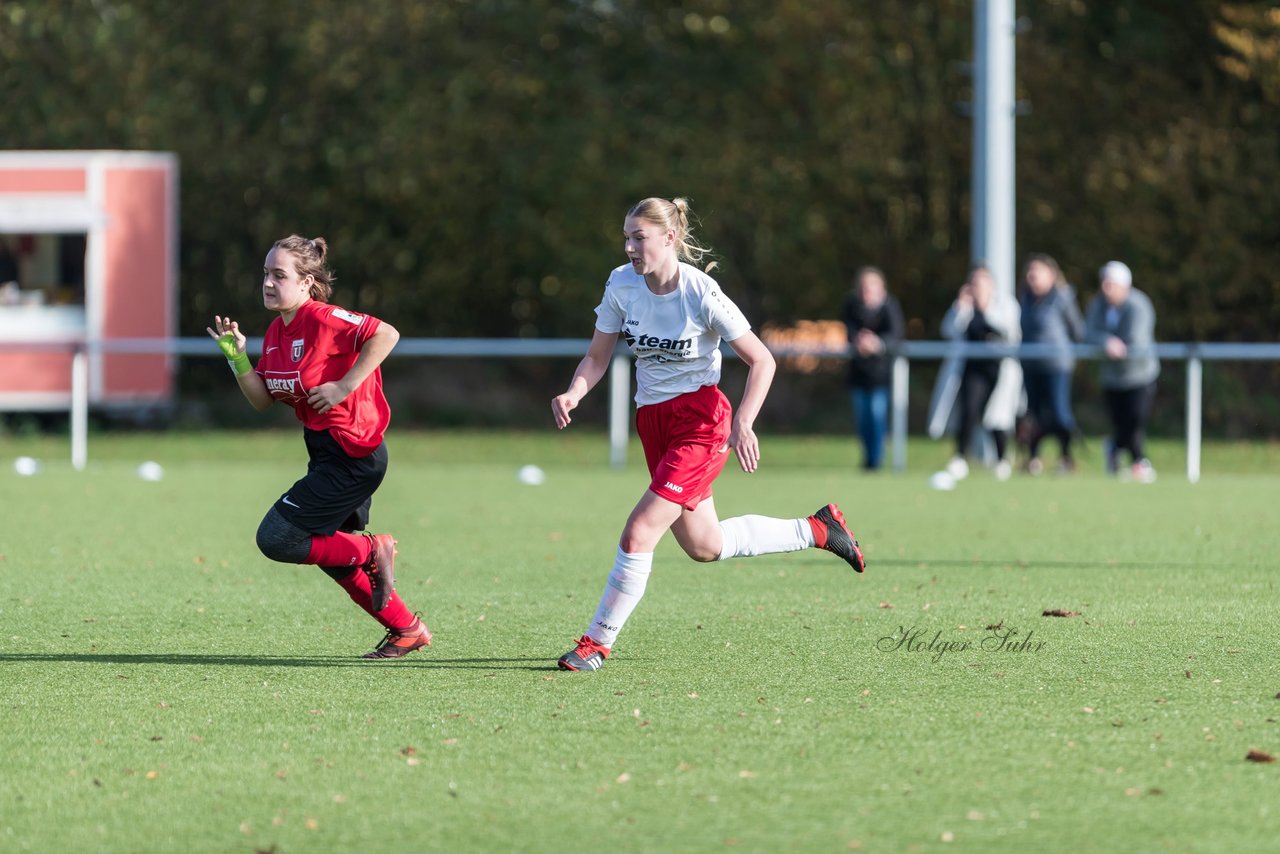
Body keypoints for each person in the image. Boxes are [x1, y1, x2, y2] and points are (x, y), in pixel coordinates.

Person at [550, 197, 866, 672]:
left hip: (700, 423)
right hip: (653, 422)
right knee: (705, 545)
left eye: (639, 237)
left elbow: (763, 359)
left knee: (639, 533)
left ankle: (596, 642)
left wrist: (743, 421)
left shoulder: (701, 293)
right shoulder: (621, 284)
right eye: (626, 237)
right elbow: (597, 357)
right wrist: (575, 392)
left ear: (669, 238)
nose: (630, 247)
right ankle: (818, 529)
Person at [207, 235, 432, 658]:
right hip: (325, 452)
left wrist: (344, 385)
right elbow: (261, 400)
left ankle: (372, 548)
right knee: (332, 556)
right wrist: (237, 357)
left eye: (280, 275)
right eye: (266, 274)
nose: (269, 283)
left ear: (307, 282)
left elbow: (387, 333)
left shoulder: (325, 318)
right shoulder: (276, 332)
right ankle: (407, 630)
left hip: (353, 452)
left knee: (276, 538)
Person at [939, 263, 1021, 481]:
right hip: (971, 369)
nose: (978, 287)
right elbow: (948, 330)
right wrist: (961, 307)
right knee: (969, 410)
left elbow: (1008, 329)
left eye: (983, 282)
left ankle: (1002, 460)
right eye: (974, 283)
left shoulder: (1004, 304)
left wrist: (985, 308)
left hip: (998, 369)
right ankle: (959, 458)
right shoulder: (964, 306)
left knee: (998, 416)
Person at [1085, 260, 1159, 483]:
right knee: (1121, 422)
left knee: (1135, 419)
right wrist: (1106, 342)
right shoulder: (1097, 305)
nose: (1106, 288)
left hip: (1139, 374)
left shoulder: (1138, 305)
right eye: (1104, 283)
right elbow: (1088, 332)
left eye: (1111, 284)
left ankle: (1126, 454)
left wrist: (1118, 346)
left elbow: (1137, 339)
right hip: (1111, 376)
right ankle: (1136, 460)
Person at [1018, 253, 1084, 474]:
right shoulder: (1024, 298)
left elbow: (1077, 331)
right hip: (1030, 364)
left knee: (1059, 413)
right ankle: (1033, 458)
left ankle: (1066, 457)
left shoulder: (1062, 298)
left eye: (1037, 271)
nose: (1032, 276)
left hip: (1057, 365)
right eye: (1030, 271)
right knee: (1032, 413)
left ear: (1052, 275)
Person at [840, 266, 904, 471]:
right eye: (863, 288)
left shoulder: (889, 307)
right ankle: (868, 459)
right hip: (858, 375)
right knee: (863, 421)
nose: (866, 292)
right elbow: (846, 330)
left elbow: (895, 335)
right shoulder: (852, 305)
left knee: (877, 419)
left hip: (881, 377)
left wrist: (877, 344)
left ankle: (875, 461)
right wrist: (858, 341)